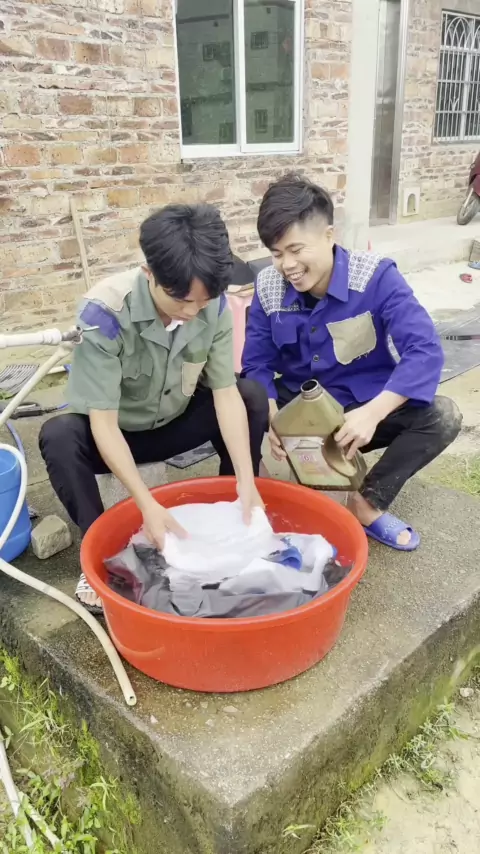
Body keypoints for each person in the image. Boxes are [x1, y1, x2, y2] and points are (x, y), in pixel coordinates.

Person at [40, 204, 269, 613]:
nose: (192, 311)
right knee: (58, 436)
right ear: (149, 273)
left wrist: (247, 479)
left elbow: (224, 393)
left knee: (249, 394)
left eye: (203, 301)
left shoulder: (213, 305)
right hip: (117, 433)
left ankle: (236, 512)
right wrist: (147, 505)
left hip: (176, 424)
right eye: (181, 299)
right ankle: (98, 551)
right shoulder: (105, 313)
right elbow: (103, 424)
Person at [241, 174, 462, 551]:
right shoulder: (268, 287)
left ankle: (366, 503)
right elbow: (256, 363)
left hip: (360, 413)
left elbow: (424, 349)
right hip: (300, 414)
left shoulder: (376, 277)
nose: (287, 265)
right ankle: (255, 492)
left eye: (296, 249)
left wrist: (374, 413)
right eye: (276, 254)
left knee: (442, 416)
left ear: (329, 235)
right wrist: (272, 414)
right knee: (240, 394)